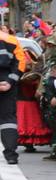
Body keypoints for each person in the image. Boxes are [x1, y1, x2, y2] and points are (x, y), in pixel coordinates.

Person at [0, 27, 21, 164]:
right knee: (8, 120)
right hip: (6, 84)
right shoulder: (11, 40)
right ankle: (11, 154)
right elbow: (20, 63)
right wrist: (10, 81)